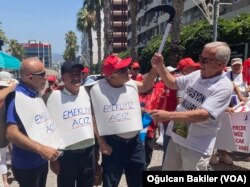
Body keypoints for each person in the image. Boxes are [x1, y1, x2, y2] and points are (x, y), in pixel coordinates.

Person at [150, 41, 233, 170]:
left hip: (196, 145)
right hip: (177, 136)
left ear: (220, 64)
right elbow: (172, 83)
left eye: (206, 60)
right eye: (200, 58)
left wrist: (168, 115)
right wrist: (161, 66)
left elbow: (203, 114)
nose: (200, 63)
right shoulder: (197, 75)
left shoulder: (224, 86)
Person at [89, 55, 157, 187]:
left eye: (127, 67)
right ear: (111, 76)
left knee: (138, 180)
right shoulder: (97, 90)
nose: (129, 71)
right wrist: (102, 143)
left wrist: (154, 69)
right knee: (110, 181)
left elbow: (145, 85)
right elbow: (94, 118)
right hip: (113, 143)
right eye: (123, 69)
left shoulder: (131, 84)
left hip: (135, 142)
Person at [5, 57, 60, 187]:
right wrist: (42, 149)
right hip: (26, 165)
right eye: (42, 74)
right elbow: (11, 134)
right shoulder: (17, 98)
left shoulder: (35, 93)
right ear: (30, 78)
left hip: (41, 161)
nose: (46, 77)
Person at [45, 61, 97, 187]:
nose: (76, 77)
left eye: (78, 74)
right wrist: (53, 159)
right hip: (66, 156)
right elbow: (50, 130)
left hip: (88, 153)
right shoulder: (53, 97)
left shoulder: (88, 93)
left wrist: (96, 156)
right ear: (63, 78)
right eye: (72, 75)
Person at [0, 71, 18, 187]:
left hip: (4, 137)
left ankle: (5, 182)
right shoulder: (11, 98)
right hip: (5, 138)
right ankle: (5, 181)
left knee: (2, 159)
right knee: (3, 158)